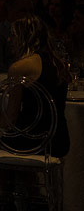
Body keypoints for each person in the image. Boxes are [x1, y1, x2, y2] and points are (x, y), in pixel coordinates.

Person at [6, 16, 70, 158]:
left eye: (13, 35)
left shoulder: (19, 68)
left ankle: (1, 179)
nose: (9, 40)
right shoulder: (58, 64)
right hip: (59, 139)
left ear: (25, 37)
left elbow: (11, 117)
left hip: (33, 138)